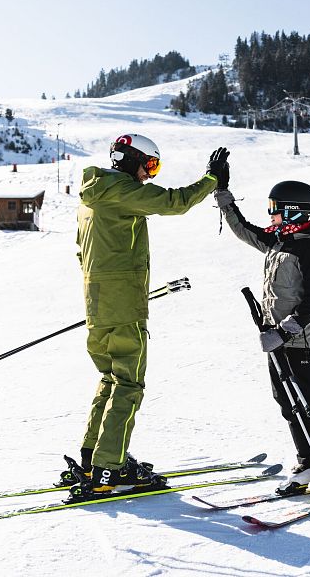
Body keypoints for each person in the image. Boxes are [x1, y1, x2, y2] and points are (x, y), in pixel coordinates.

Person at [69, 134, 229, 499]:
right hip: (122, 304)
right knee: (128, 383)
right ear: (132, 160)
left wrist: (106, 294)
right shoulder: (120, 189)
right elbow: (174, 202)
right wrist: (212, 180)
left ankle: (92, 457)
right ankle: (109, 467)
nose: (149, 175)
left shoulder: (90, 198)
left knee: (111, 378)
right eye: (150, 165)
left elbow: (82, 253)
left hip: (98, 304)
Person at [214, 179, 310, 502]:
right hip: (275, 340)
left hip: (299, 342)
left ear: (293, 212)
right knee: (289, 404)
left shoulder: (308, 247)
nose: (270, 217)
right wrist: (222, 194)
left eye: (275, 211)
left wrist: (284, 331)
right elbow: (244, 230)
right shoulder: (279, 241)